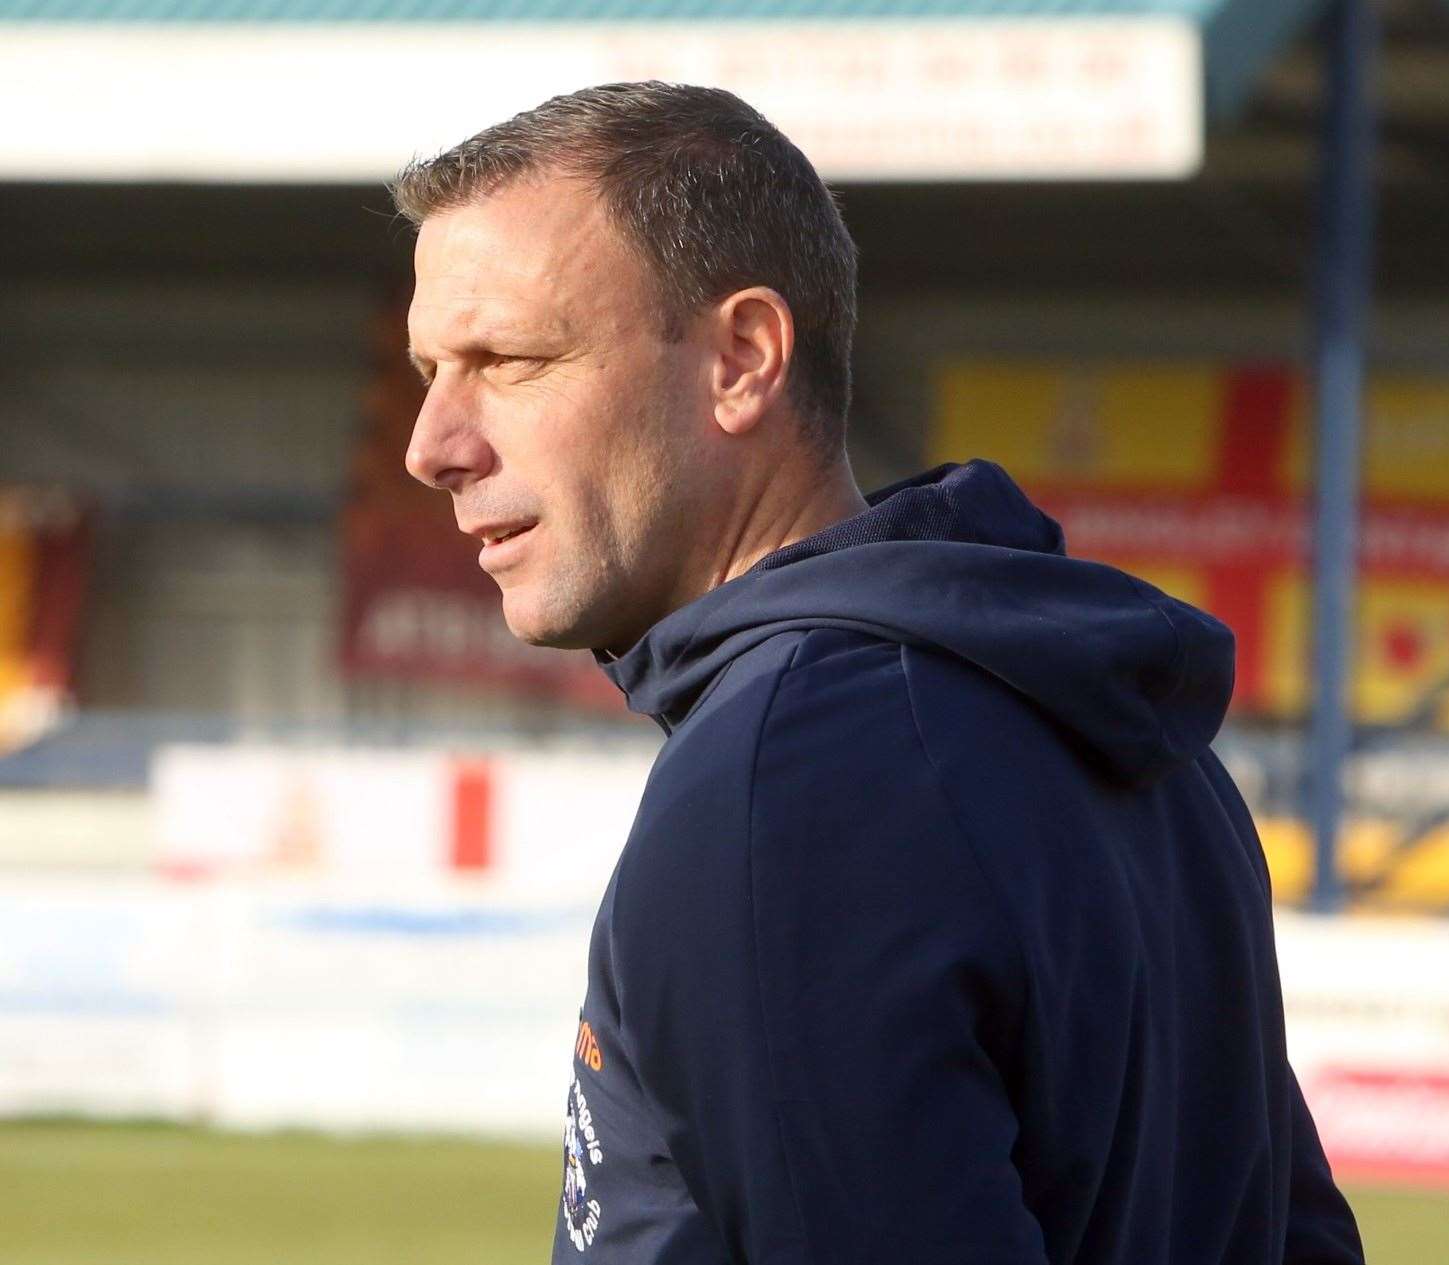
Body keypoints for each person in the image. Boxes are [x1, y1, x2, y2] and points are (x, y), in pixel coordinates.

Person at [395, 81, 1364, 1265]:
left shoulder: (786, 784)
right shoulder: (1114, 721)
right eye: (431, 369)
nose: (433, 444)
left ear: (742, 360)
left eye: (507, 358)